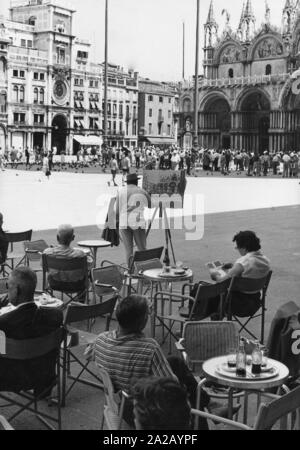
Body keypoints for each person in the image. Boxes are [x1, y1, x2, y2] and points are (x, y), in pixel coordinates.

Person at [0, 267, 63, 393]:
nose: (7, 290)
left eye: (8, 286)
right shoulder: (55, 315)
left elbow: (1, 350)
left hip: (9, 380)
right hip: (43, 375)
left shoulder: (4, 323)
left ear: (16, 290)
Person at [208, 231, 271, 317]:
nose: (237, 249)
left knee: (208, 289)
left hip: (237, 305)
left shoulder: (244, 261)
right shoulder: (265, 260)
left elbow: (222, 282)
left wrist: (214, 274)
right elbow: (252, 272)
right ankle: (217, 315)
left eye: (238, 247)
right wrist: (234, 266)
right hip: (255, 303)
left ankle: (203, 315)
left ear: (244, 248)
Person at [116, 173, 150, 266]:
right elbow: (150, 205)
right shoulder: (141, 191)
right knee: (142, 248)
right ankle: (143, 270)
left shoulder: (121, 191)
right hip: (137, 221)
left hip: (124, 222)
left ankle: (130, 271)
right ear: (136, 182)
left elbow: (117, 211)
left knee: (128, 250)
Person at [43, 224, 92, 290]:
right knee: (83, 275)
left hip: (54, 284)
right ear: (73, 237)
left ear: (57, 237)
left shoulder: (47, 253)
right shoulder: (80, 255)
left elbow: (44, 267)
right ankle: (81, 300)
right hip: (77, 285)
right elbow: (89, 266)